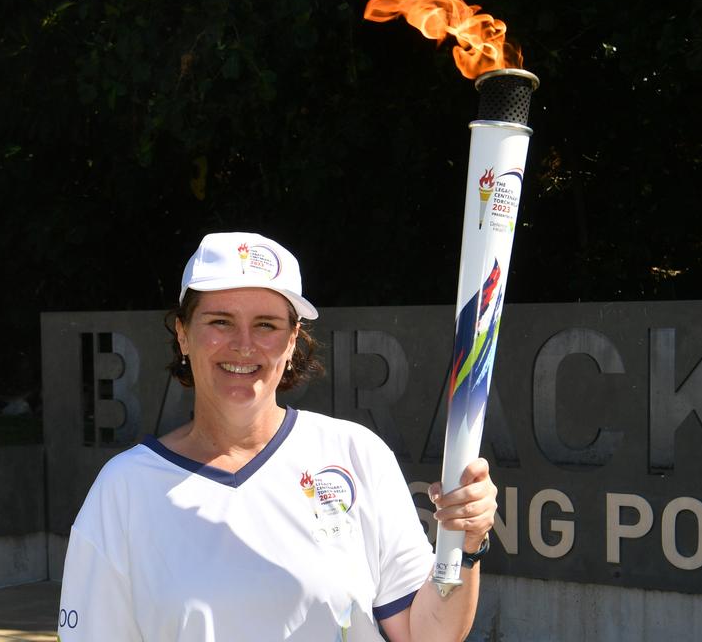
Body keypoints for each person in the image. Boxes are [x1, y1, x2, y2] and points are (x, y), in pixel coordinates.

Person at [58, 232, 498, 641]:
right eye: (220, 322)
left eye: (267, 325)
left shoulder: (356, 454)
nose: (244, 344)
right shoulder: (125, 488)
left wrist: (466, 543)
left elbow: (428, 634)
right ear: (183, 334)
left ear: (291, 343)